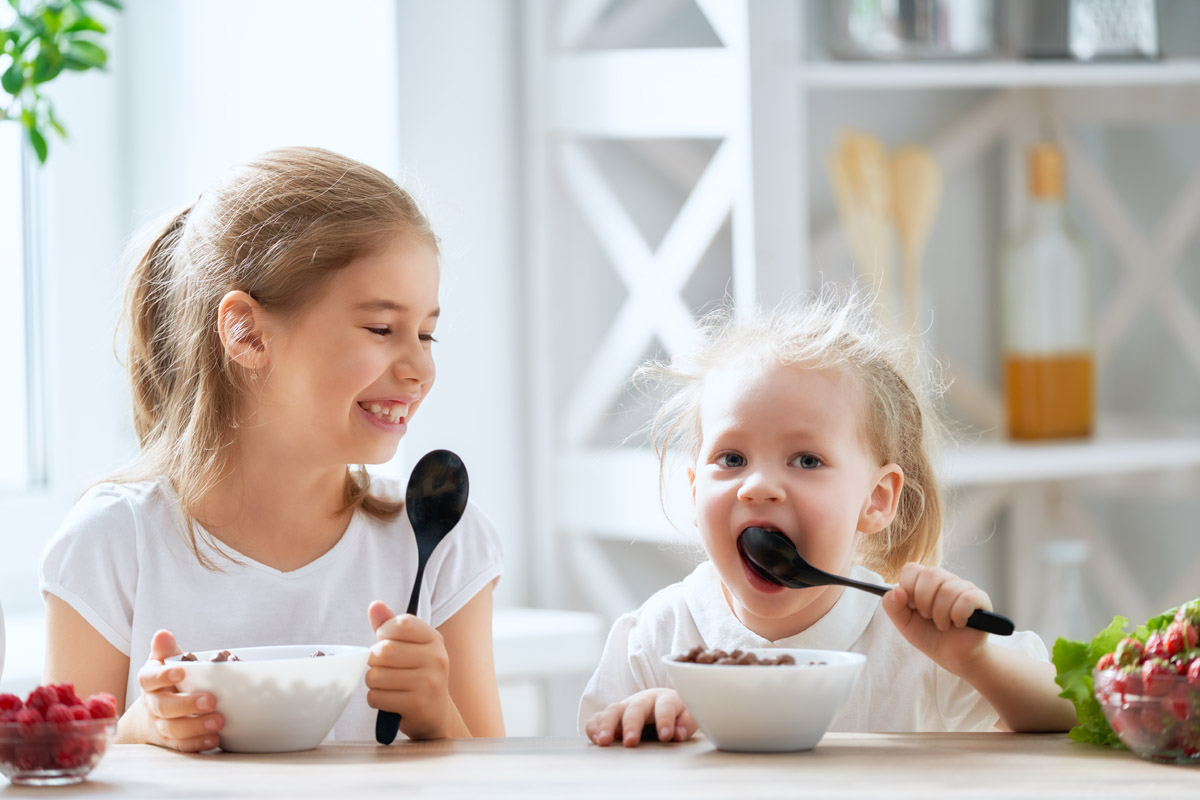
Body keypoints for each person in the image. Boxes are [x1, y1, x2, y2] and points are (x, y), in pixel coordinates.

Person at [39, 147, 505, 750]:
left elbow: (497, 775)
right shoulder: (111, 545)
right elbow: (62, 772)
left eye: (426, 333)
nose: (420, 367)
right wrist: (139, 729)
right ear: (247, 333)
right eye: (382, 329)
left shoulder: (444, 541)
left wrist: (439, 718)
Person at [579, 286, 1078, 746]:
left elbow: (1073, 712)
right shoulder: (654, 639)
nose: (758, 486)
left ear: (876, 499)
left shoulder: (918, 644)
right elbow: (592, 764)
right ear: (693, 493)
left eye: (806, 460)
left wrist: (977, 661)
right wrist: (642, 729)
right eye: (732, 459)